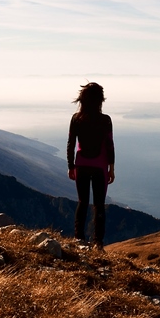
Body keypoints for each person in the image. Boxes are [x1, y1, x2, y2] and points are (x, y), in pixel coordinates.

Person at [67, 81, 115, 248]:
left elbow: (71, 143)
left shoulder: (76, 118)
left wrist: (70, 166)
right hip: (100, 167)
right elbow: (109, 144)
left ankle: (78, 238)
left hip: (81, 165)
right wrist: (111, 168)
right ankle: (98, 242)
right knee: (99, 205)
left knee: (82, 202)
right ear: (100, 100)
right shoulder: (105, 120)